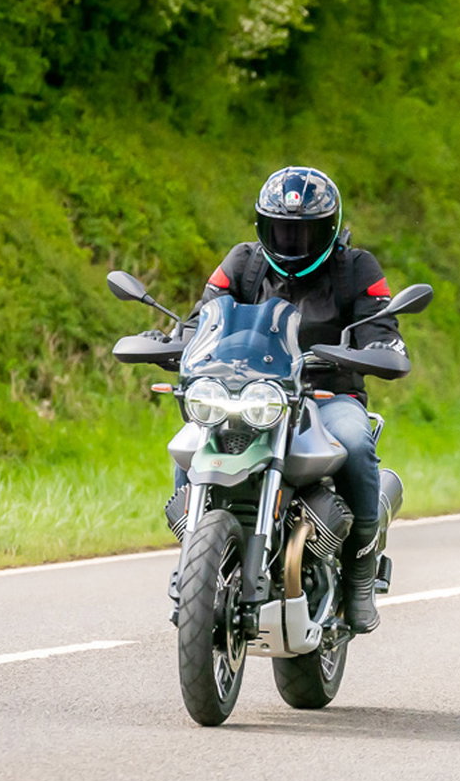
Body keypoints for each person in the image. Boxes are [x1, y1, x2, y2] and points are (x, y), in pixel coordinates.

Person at [159, 166, 405, 634]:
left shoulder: (357, 268)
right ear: (262, 226)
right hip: (251, 394)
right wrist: (173, 340)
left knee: (354, 444)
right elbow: (202, 321)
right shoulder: (243, 263)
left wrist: (381, 349)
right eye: (282, 230)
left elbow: (381, 327)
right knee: (193, 439)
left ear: (329, 229)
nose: (293, 240)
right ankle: (194, 556)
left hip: (328, 393)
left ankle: (358, 572)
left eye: (305, 230)